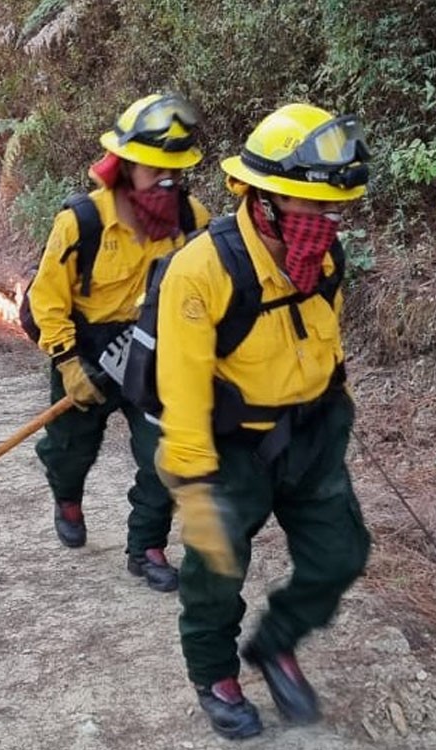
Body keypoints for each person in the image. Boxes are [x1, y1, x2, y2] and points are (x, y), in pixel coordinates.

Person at [153, 103, 372, 738]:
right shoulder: (201, 270)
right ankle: (215, 674)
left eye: (336, 212)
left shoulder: (324, 258)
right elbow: (184, 387)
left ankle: (275, 643)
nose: (327, 225)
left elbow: (322, 337)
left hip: (312, 433)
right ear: (264, 199)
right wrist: (193, 486)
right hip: (228, 451)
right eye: (314, 210)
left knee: (342, 554)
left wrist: (330, 407)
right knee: (214, 575)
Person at [25, 93, 211, 592]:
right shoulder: (80, 222)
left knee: (165, 454)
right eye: (155, 171)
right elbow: (46, 300)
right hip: (86, 349)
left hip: (155, 355)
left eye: (175, 172)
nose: (167, 182)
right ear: (127, 165)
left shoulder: (193, 221)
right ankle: (67, 496)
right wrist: (67, 363)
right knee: (69, 448)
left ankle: (146, 546)